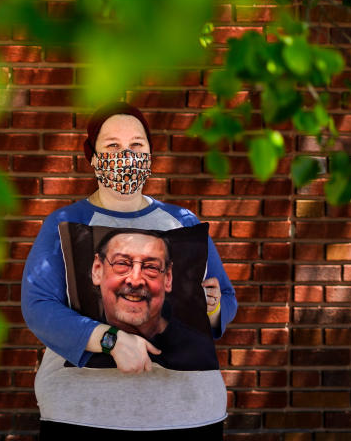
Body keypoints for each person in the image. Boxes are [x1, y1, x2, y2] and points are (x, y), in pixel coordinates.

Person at [21, 101, 237, 438]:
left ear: (150, 155)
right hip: (85, 414)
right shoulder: (65, 223)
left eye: (137, 145)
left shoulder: (182, 223)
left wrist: (212, 307)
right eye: (113, 146)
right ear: (92, 156)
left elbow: (224, 297)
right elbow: (37, 305)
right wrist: (108, 340)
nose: (127, 155)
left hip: (187, 413)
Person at [87, 229, 219, 373]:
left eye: (151, 267)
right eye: (122, 263)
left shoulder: (199, 351)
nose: (135, 280)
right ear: (97, 270)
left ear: (168, 278)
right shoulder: (77, 340)